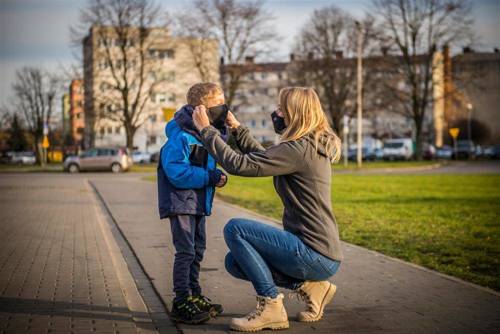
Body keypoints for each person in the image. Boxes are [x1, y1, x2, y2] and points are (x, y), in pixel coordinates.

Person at [192, 87, 343, 332]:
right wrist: (237, 130)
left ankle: (272, 307)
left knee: (236, 229)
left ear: (295, 114)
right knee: (235, 263)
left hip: (314, 252)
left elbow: (239, 164)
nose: (277, 113)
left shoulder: (298, 149)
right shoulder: (306, 145)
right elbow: (264, 158)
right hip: (320, 251)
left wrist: (206, 131)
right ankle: (312, 287)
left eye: (282, 108)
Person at [157, 82, 229, 324]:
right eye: (218, 105)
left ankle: (194, 294)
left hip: (198, 202)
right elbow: (175, 171)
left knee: (198, 250)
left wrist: (216, 176)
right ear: (201, 108)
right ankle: (181, 300)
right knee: (186, 251)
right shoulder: (182, 136)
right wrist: (209, 177)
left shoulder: (206, 132)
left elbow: (222, 153)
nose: (223, 108)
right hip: (181, 203)